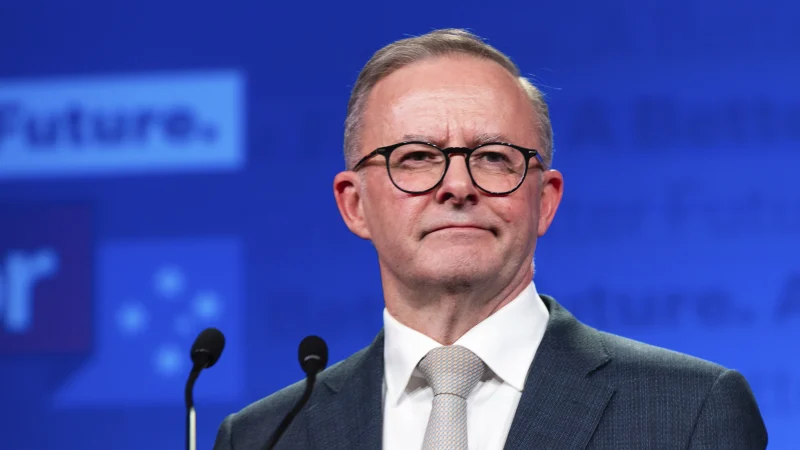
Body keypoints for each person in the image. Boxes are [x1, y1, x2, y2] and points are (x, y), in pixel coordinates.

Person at [212, 28, 768, 449]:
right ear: (354, 205)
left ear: (545, 200)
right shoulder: (264, 437)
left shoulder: (690, 411)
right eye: (416, 156)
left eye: (494, 158)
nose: (457, 186)